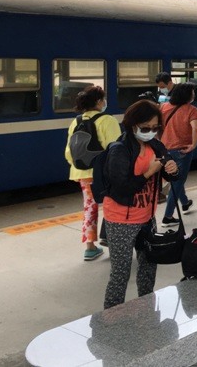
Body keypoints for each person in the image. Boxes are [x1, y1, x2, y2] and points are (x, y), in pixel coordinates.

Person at [103, 100, 178, 308]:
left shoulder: (156, 145)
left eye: (155, 128)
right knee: (121, 273)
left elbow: (170, 174)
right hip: (121, 220)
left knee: (148, 267)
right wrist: (148, 172)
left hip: (147, 218)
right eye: (146, 128)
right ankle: (110, 318)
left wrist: (172, 169)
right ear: (132, 124)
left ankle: (146, 310)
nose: (151, 132)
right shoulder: (119, 149)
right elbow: (122, 188)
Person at [64, 86, 121, 261]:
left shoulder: (76, 121)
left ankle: (90, 247)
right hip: (104, 172)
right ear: (98, 102)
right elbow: (116, 149)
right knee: (115, 205)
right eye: (103, 99)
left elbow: (68, 152)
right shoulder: (107, 120)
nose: (105, 102)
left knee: (90, 206)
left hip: (82, 172)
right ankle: (115, 243)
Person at [160, 83, 197, 226]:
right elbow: (195, 129)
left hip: (165, 149)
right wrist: (194, 145)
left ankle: (185, 202)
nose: (194, 95)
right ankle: (168, 216)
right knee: (177, 182)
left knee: (175, 178)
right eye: (192, 93)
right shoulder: (191, 110)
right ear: (187, 95)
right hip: (182, 150)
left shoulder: (164, 107)